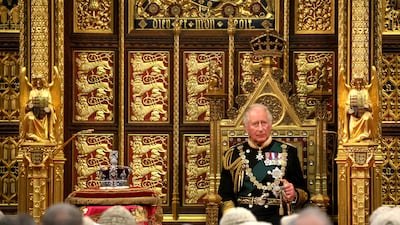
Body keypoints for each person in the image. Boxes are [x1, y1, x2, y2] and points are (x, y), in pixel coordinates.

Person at [218, 103, 309, 225]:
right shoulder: (233, 156)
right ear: (245, 127)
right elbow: (225, 196)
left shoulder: (287, 152)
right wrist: (231, 218)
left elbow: (304, 193)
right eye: (255, 124)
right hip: (244, 219)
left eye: (264, 123)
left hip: (278, 219)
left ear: (271, 125)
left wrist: (294, 194)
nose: (261, 128)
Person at [21, 74, 57, 142]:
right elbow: (27, 106)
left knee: (48, 115)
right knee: (29, 117)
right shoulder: (32, 92)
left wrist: (47, 109)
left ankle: (46, 137)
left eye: (39, 81)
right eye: (36, 81)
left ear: (43, 82)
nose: (38, 83)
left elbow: (51, 105)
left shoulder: (47, 92)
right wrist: (30, 105)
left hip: (44, 115)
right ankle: (30, 135)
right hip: (34, 113)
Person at [343, 76, 374, 143]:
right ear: (354, 82)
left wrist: (366, 106)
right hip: (354, 116)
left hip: (364, 114)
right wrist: (351, 110)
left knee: (367, 117)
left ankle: (365, 136)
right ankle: (354, 138)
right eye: (357, 80)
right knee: (352, 119)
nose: (359, 82)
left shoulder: (365, 92)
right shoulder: (351, 92)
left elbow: (371, 106)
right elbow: (347, 106)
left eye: (360, 80)